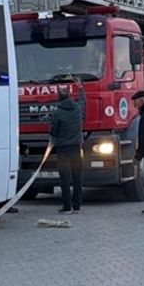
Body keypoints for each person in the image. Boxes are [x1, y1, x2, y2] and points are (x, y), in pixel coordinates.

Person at [48, 85, 84, 214]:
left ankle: (67, 206)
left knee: (65, 179)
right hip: (76, 147)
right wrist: (81, 90)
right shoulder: (77, 108)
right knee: (77, 177)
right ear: (69, 96)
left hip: (63, 149)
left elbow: (53, 132)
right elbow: (83, 102)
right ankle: (77, 205)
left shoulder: (57, 113)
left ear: (59, 98)